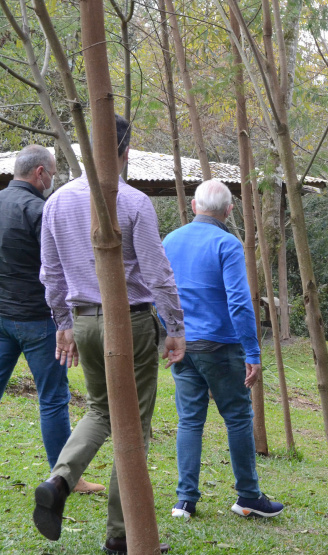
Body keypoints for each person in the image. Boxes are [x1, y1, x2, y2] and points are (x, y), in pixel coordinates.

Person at [33, 115, 185, 555]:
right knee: (133, 427)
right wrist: (174, 327)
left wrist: (63, 322)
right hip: (131, 321)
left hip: (82, 321)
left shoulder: (57, 202)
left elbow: (51, 273)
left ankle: (59, 479)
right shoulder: (135, 202)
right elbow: (158, 274)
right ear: (125, 152)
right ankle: (122, 536)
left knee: (100, 409)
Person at [161, 179, 283, 520]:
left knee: (189, 420)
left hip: (183, 345)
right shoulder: (228, 244)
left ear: (196, 206)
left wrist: (170, 332)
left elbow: (158, 290)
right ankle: (248, 496)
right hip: (221, 347)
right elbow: (241, 303)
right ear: (229, 211)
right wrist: (253, 353)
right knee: (238, 418)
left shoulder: (170, 240)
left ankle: (184, 500)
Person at [0, 145, 103, 494]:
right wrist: (68, 319)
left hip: (1, 316)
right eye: (53, 172)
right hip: (39, 321)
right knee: (53, 399)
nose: (53, 179)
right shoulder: (40, 211)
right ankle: (66, 478)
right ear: (40, 173)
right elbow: (56, 270)